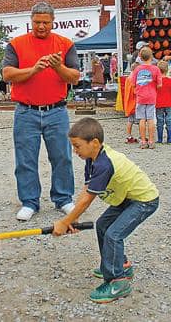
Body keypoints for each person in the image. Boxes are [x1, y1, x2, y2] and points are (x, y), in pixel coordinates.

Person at [53, 117, 159, 303]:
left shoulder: (104, 163)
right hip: (127, 198)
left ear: (94, 143)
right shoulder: (92, 159)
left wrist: (65, 222)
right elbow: (86, 189)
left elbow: (87, 200)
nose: (74, 151)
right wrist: (73, 218)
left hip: (144, 201)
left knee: (113, 235)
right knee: (102, 225)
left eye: (77, 146)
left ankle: (117, 281)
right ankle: (120, 264)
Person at [2, 2, 80, 221]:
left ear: (53, 21)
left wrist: (58, 67)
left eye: (46, 22)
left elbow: (74, 76)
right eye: (37, 22)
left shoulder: (65, 44)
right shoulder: (16, 44)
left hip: (57, 110)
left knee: (62, 156)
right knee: (25, 159)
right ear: (31, 21)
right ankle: (29, 202)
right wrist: (34, 69)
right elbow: (7, 74)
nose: (41, 26)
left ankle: (63, 199)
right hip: (26, 111)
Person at [130, 46, 162, 149]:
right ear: (151, 56)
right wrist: (154, 87)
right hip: (152, 96)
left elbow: (133, 84)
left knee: (142, 119)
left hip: (140, 97)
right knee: (151, 119)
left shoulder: (137, 69)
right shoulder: (156, 69)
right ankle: (151, 141)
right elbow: (159, 85)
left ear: (140, 57)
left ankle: (143, 141)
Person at [155, 60, 171, 143]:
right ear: (167, 70)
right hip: (169, 103)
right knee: (169, 121)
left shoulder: (156, 82)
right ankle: (169, 139)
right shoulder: (170, 81)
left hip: (158, 104)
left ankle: (160, 139)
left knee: (159, 121)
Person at [123, 62, 138, 143]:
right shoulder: (134, 78)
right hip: (134, 103)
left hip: (129, 103)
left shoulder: (128, 78)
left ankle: (129, 136)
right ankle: (141, 136)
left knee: (130, 120)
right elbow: (135, 91)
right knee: (140, 121)